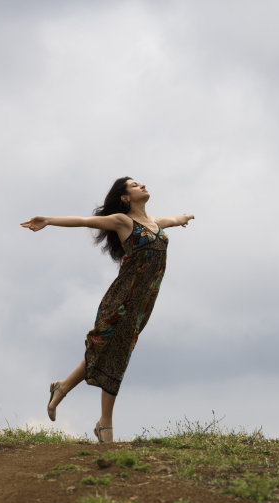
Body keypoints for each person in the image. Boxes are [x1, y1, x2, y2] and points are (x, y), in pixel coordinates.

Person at [20, 177, 194, 443]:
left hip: (142, 305)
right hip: (122, 300)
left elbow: (171, 220)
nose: (142, 186)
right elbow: (84, 221)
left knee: (112, 352)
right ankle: (105, 424)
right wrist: (48, 220)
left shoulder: (155, 224)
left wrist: (184, 217)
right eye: (135, 185)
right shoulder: (123, 222)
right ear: (125, 198)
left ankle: (63, 387)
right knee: (111, 352)